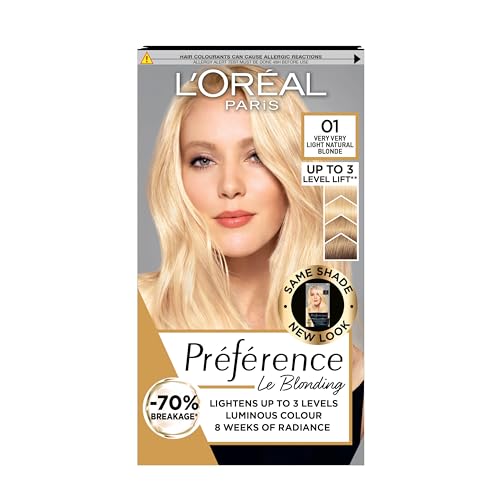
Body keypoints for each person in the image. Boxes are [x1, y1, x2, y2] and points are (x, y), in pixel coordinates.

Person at [139, 65, 363, 464]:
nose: (229, 186)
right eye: (202, 160)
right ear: (176, 178)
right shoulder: (138, 319)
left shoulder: (352, 370)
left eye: (257, 156)